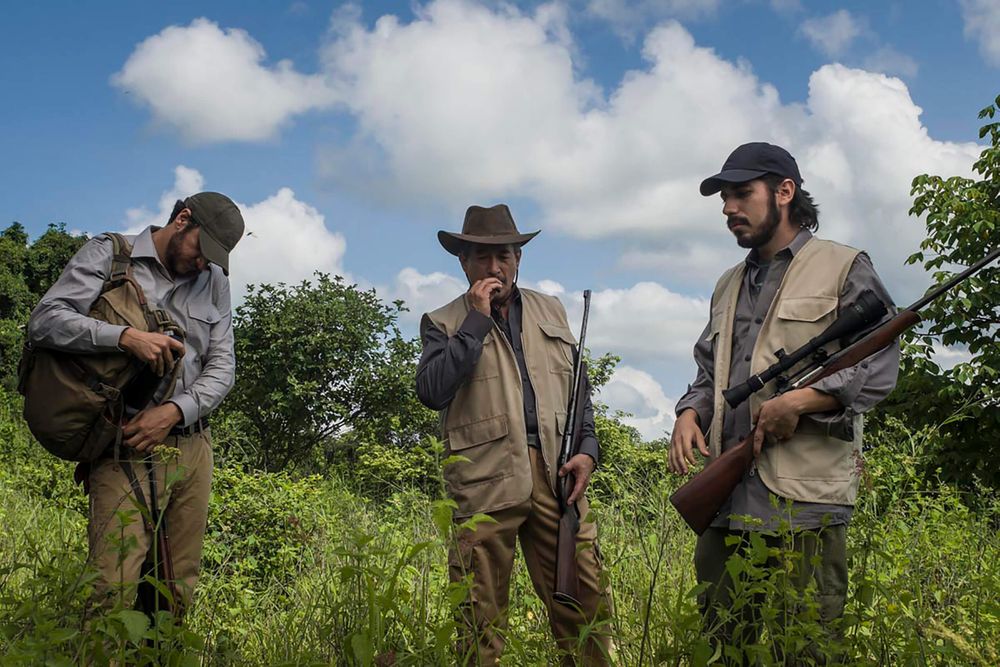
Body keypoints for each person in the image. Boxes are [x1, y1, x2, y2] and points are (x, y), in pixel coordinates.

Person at [668, 143, 900, 657]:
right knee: (723, 647)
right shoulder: (727, 284)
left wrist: (804, 401)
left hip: (805, 503)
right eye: (724, 198)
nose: (729, 208)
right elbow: (710, 370)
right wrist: (690, 411)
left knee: (806, 649)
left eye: (741, 194)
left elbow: (880, 364)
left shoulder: (843, 266)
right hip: (727, 505)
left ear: (785, 192)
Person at [28, 192, 244, 615]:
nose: (203, 263)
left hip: (192, 446)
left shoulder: (215, 281)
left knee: (175, 591)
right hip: (123, 442)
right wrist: (125, 338)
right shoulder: (110, 254)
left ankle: (163, 651)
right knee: (110, 589)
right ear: (182, 219)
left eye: (214, 258)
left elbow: (223, 366)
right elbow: (45, 320)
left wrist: (175, 411)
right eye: (202, 249)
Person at [416, 204, 612, 666]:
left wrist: (588, 450)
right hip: (483, 482)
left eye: (503, 255)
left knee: (584, 603)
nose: (494, 267)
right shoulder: (443, 321)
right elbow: (431, 391)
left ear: (518, 258)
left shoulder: (551, 310)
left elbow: (579, 390)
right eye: (482, 257)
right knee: (478, 619)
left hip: (556, 477)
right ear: (463, 262)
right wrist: (476, 321)